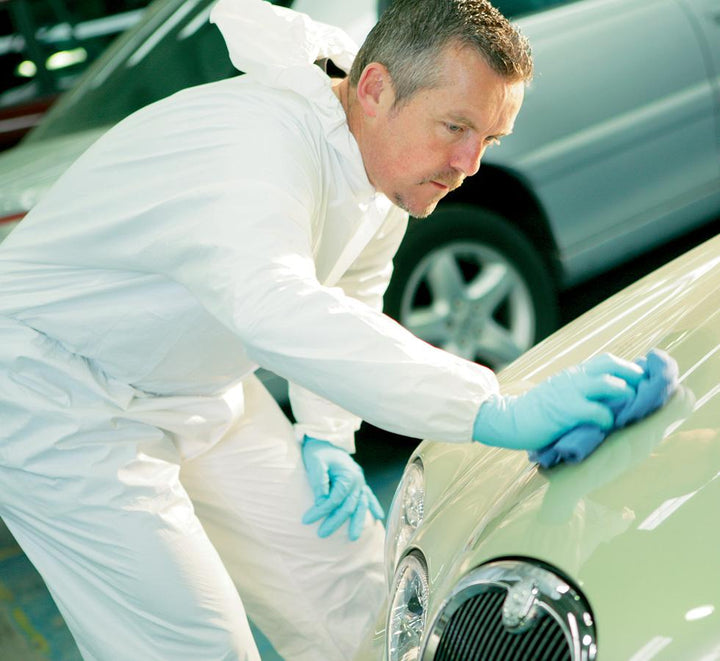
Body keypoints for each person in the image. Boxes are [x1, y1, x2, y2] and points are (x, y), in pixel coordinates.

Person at [0, 0, 646, 659]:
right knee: (192, 643)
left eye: (489, 139)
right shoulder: (258, 146)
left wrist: (327, 433)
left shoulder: (383, 164)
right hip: (54, 392)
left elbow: (350, 292)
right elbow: (275, 303)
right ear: (374, 90)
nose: (470, 161)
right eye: (455, 126)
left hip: (191, 379)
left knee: (359, 594)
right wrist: (490, 408)